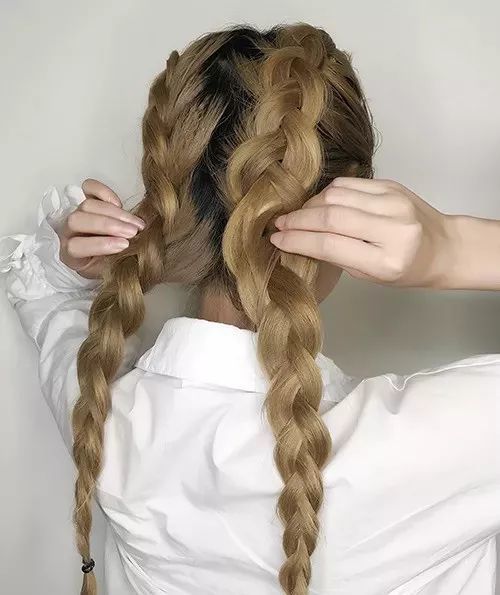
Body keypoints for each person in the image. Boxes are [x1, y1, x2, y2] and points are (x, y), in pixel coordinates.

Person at [1, 21, 499, 595]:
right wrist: (454, 249)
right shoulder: (450, 441)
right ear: (348, 207)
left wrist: (78, 257)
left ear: (171, 205)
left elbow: (39, 289)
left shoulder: (103, 415)